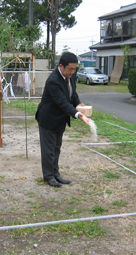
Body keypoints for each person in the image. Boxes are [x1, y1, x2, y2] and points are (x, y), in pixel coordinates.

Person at [35, 52, 91, 188]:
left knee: (56, 148)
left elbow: (73, 95)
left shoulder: (70, 76)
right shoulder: (53, 80)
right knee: (48, 149)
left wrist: (78, 104)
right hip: (48, 119)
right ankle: (48, 176)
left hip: (60, 119)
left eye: (74, 69)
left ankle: (55, 174)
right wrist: (78, 114)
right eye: (70, 69)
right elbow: (63, 102)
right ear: (61, 66)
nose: (72, 72)